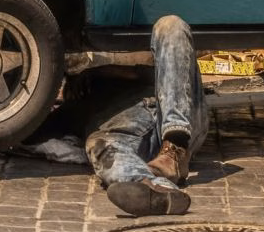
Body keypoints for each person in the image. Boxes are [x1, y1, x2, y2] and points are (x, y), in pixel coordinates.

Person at [31, 15, 208, 217]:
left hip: (174, 110)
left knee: (171, 25)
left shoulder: (95, 66)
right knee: (98, 143)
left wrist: (101, 73)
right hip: (132, 135)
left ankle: (175, 148)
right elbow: (27, 136)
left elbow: (164, 74)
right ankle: (155, 189)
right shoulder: (70, 112)